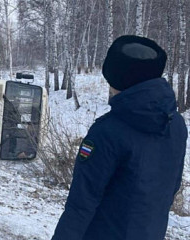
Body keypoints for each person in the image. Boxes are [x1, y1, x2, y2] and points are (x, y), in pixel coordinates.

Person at [51, 35, 187, 240]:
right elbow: (171, 187)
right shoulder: (175, 123)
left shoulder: (107, 132)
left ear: (117, 78)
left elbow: (81, 204)